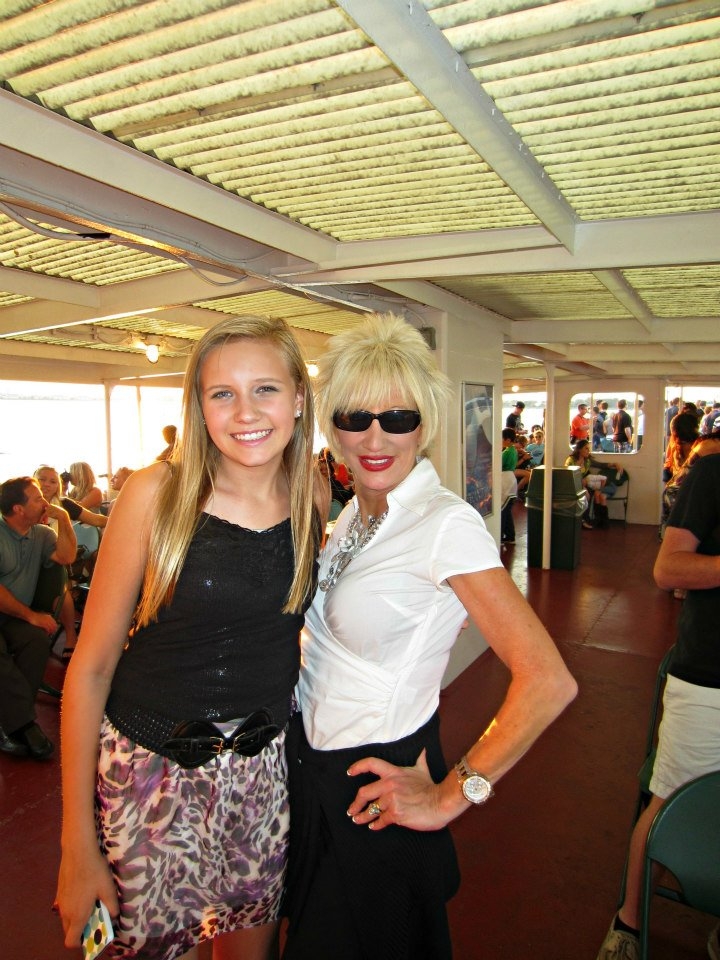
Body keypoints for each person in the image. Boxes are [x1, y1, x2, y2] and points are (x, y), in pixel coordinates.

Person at [282, 313, 577, 960]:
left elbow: (549, 681)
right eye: (355, 417)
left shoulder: (445, 524)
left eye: (399, 417)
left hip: (375, 784)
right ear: (332, 425)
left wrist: (453, 795)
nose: (375, 437)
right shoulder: (356, 514)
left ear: (424, 425)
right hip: (315, 777)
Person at [55, 315, 322, 960]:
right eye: (222, 393)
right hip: (149, 773)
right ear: (199, 407)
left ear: (298, 398)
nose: (245, 412)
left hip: (262, 776)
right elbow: (91, 669)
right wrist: (76, 846)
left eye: (265, 389)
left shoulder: (311, 497)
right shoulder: (157, 495)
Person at [596, 449, 720, 960]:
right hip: (710, 682)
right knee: (669, 798)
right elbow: (668, 569)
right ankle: (629, 920)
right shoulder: (713, 473)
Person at [0, 477, 77, 759]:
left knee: (35, 642)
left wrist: (64, 518)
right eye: (36, 499)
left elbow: (67, 557)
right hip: (14, 611)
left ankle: (11, 723)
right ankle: (24, 725)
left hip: (13, 616)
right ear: (18, 509)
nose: (45, 502)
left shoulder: (42, 534)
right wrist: (31, 615)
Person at [34, 465, 107, 659]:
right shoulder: (24, 504)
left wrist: (123, 520)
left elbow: (96, 520)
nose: (46, 484)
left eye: (52, 481)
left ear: (58, 486)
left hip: (60, 561)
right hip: (28, 559)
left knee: (56, 576)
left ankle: (70, 635)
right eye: (42, 479)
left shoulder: (64, 504)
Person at [565, 440, 625, 530]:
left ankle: (587, 519)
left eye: (588, 449)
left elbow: (601, 465)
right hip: (572, 483)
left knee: (590, 492)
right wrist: (581, 484)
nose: (588, 451)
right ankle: (583, 521)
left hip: (583, 483)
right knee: (586, 494)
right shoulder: (571, 460)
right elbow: (567, 475)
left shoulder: (587, 460)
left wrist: (615, 464)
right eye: (586, 448)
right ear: (579, 449)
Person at [500, 427, 519, 543]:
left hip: (505, 480)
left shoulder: (506, 452)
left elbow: (499, 465)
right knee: (507, 510)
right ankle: (510, 535)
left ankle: (500, 535)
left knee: (502, 510)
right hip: (511, 479)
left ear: (507, 440)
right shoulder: (514, 451)